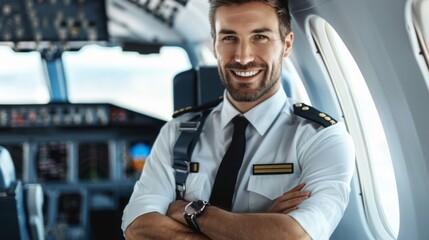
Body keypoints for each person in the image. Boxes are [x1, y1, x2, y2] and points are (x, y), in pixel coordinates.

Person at [121, 0, 355, 239]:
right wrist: (260, 225)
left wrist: (191, 212)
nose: (243, 57)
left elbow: (294, 236)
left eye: (260, 37)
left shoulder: (322, 139)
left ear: (286, 45)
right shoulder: (177, 132)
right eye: (229, 38)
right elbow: (138, 227)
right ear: (214, 46)